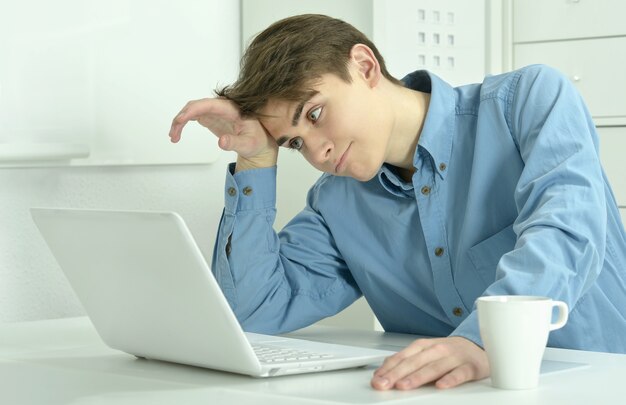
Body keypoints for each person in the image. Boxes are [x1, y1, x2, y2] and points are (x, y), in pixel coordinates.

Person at [169, 14, 626, 390]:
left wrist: (484, 342)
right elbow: (252, 310)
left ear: (365, 66)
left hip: (596, 385)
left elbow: (568, 232)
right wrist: (255, 158)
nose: (316, 153)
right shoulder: (336, 204)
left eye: (315, 114)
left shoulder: (527, 103)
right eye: (293, 143)